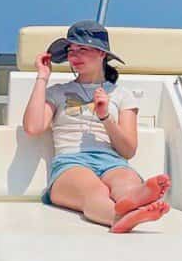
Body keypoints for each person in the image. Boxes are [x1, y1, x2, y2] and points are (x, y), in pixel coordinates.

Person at [22, 20, 170, 233]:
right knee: (94, 190)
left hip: (112, 161)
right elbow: (33, 127)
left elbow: (128, 150)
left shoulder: (121, 95)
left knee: (126, 181)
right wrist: (42, 77)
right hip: (70, 162)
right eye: (71, 50)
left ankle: (134, 200)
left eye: (82, 49)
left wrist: (105, 117)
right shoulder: (57, 92)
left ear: (102, 54)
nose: (74, 56)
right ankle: (119, 216)